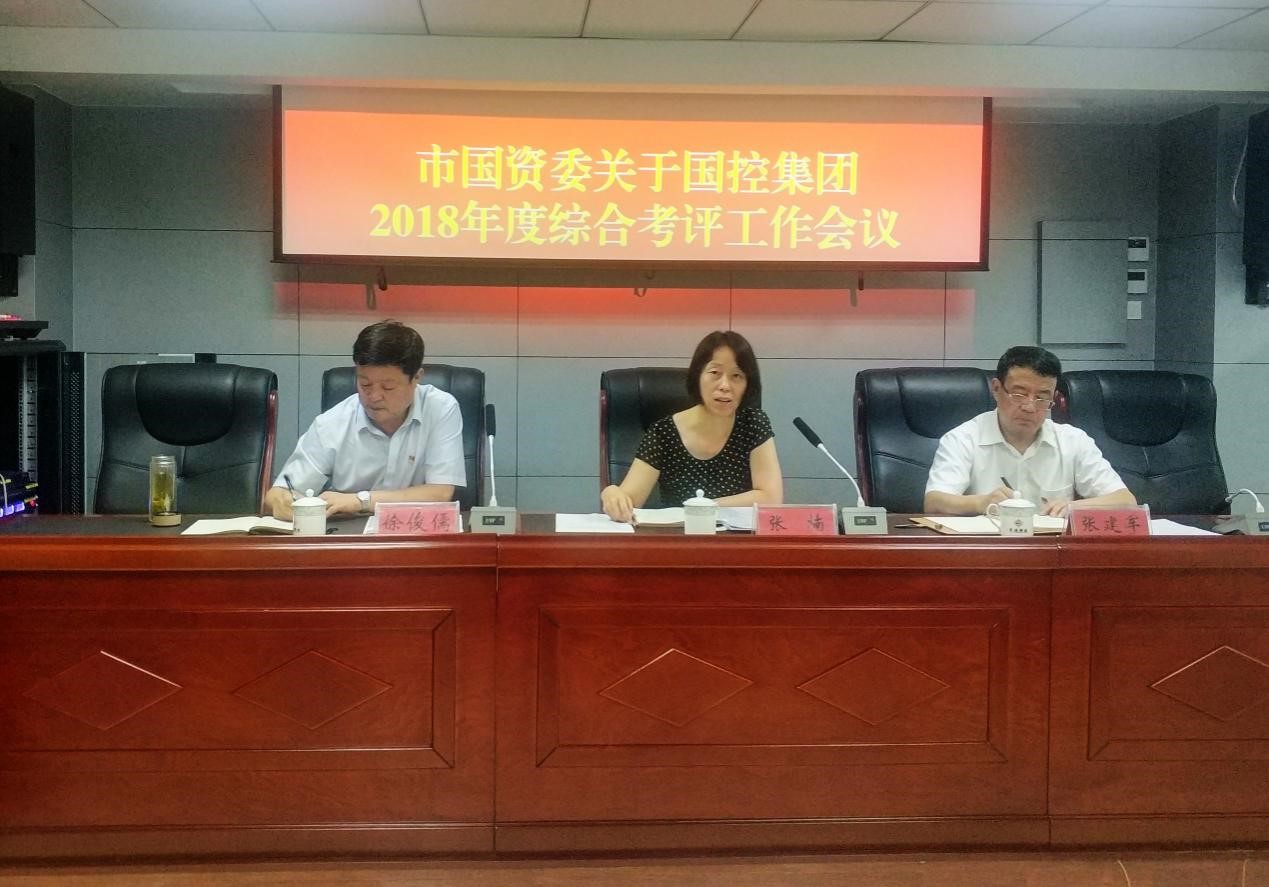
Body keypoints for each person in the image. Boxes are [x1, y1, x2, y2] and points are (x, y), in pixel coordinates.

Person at [264, 320, 465, 520]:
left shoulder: (440, 408)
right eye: (365, 384)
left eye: (388, 387)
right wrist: (283, 502)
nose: (374, 396)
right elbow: (277, 495)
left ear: (416, 378)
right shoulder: (332, 423)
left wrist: (360, 501)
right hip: (350, 534)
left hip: (416, 532)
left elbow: (440, 493)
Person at [924, 345, 1135, 518]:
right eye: (1019, 394)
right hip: (986, 549)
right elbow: (934, 502)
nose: (1030, 407)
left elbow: (1126, 501)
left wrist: (1075, 507)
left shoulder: (1073, 441)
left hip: (1052, 550)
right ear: (996, 389)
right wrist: (983, 502)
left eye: (1042, 397)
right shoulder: (963, 438)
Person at [601, 330, 783, 523]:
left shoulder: (753, 424)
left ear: (748, 384)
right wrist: (612, 494)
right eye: (715, 373)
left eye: (737, 375)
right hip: (681, 538)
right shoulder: (664, 433)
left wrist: (704, 507)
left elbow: (770, 498)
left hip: (736, 538)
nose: (725, 385)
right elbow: (629, 501)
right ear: (697, 376)